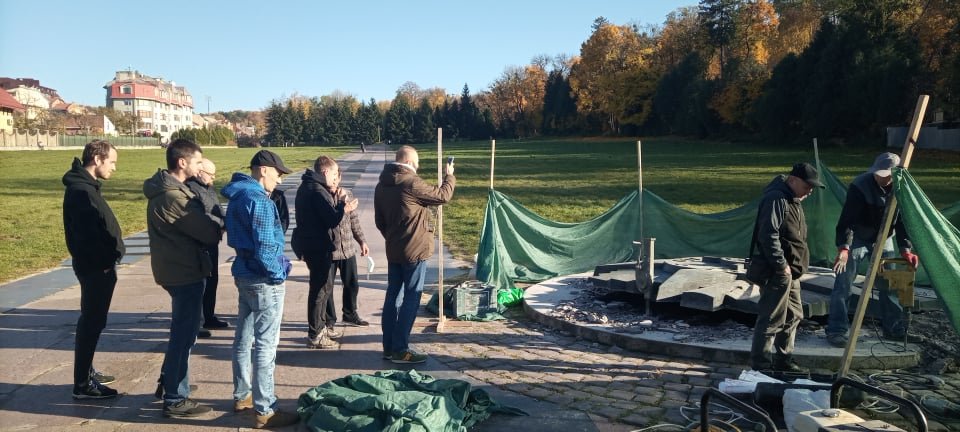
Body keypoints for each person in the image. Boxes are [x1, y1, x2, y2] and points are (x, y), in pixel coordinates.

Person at [143, 139, 222, 418]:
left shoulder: (174, 191)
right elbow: (208, 232)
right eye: (198, 161)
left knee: (184, 331)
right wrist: (217, 221)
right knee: (184, 335)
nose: (201, 167)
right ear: (182, 162)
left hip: (179, 268)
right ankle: (175, 397)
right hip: (183, 271)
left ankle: (172, 381)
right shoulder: (174, 198)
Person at [221, 150, 299, 429]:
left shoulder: (238, 195)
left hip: (244, 274)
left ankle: (242, 395)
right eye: (278, 173)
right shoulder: (259, 201)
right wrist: (279, 273)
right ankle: (266, 408)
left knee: (243, 338)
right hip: (263, 280)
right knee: (266, 344)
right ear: (264, 170)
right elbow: (266, 248)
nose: (279, 180)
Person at [826, 153, 921, 347]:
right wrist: (844, 248)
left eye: (885, 175)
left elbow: (903, 221)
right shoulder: (859, 186)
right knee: (843, 284)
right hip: (857, 237)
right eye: (878, 173)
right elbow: (847, 220)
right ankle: (836, 330)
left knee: (889, 286)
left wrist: (905, 249)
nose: (880, 177)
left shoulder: (901, 188)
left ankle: (893, 329)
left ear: (894, 175)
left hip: (885, 238)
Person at [374, 145, 455, 364]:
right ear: (409, 162)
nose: (417, 168)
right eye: (416, 164)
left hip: (394, 249)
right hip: (415, 250)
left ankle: (389, 347)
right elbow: (442, 196)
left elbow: (379, 221)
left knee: (393, 296)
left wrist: (393, 237)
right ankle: (401, 349)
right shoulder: (411, 182)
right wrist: (449, 176)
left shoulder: (381, 185)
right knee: (412, 296)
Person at [62, 140, 124, 399]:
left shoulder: (87, 187)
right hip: (96, 267)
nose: (114, 168)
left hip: (99, 266)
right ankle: (82, 383)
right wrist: (105, 260)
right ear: (97, 159)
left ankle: (86, 371)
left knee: (94, 321)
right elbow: (86, 236)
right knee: (92, 322)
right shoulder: (81, 191)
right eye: (112, 162)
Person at [749, 163, 823, 372]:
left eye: (812, 187)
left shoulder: (792, 199)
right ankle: (761, 366)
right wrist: (781, 264)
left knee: (794, 315)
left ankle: (784, 360)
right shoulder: (776, 198)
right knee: (771, 318)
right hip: (776, 271)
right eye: (807, 186)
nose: (810, 191)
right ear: (793, 180)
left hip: (791, 271)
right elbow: (768, 234)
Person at [291, 156, 360, 349]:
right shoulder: (316, 190)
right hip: (317, 247)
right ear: (325, 172)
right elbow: (332, 219)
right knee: (319, 291)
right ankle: (316, 334)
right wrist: (343, 206)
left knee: (323, 289)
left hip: (314, 245)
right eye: (334, 173)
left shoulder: (309, 186)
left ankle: (322, 327)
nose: (336, 178)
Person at [185, 158, 228, 337]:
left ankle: (209, 317)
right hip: (201, 244)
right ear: (200, 172)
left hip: (212, 241)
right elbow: (201, 216)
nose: (214, 178)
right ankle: (194, 324)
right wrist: (219, 223)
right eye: (211, 174)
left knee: (212, 281)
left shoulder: (207, 187)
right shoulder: (192, 188)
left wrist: (224, 221)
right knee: (200, 284)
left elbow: (216, 208)